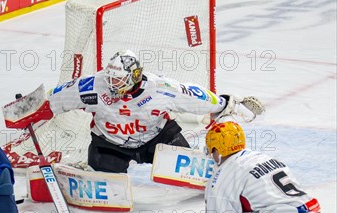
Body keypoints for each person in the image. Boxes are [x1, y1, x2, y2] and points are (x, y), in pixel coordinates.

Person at [45, 50, 264, 173]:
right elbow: (56, 97)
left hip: (157, 138)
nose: (113, 84)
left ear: (134, 75)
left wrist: (226, 104)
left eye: (119, 79)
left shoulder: (161, 88)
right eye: (110, 78)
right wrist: (31, 110)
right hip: (110, 144)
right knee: (102, 179)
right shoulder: (93, 86)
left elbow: (195, 96)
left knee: (193, 173)